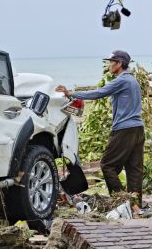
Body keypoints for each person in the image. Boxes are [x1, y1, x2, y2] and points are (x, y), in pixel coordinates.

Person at [56, 50, 145, 203]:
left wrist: (71, 93)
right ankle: (135, 206)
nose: (109, 65)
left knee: (107, 165)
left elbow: (99, 93)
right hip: (138, 129)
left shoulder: (122, 80)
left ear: (119, 63)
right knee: (134, 169)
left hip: (124, 129)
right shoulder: (133, 81)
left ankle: (121, 200)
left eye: (111, 62)